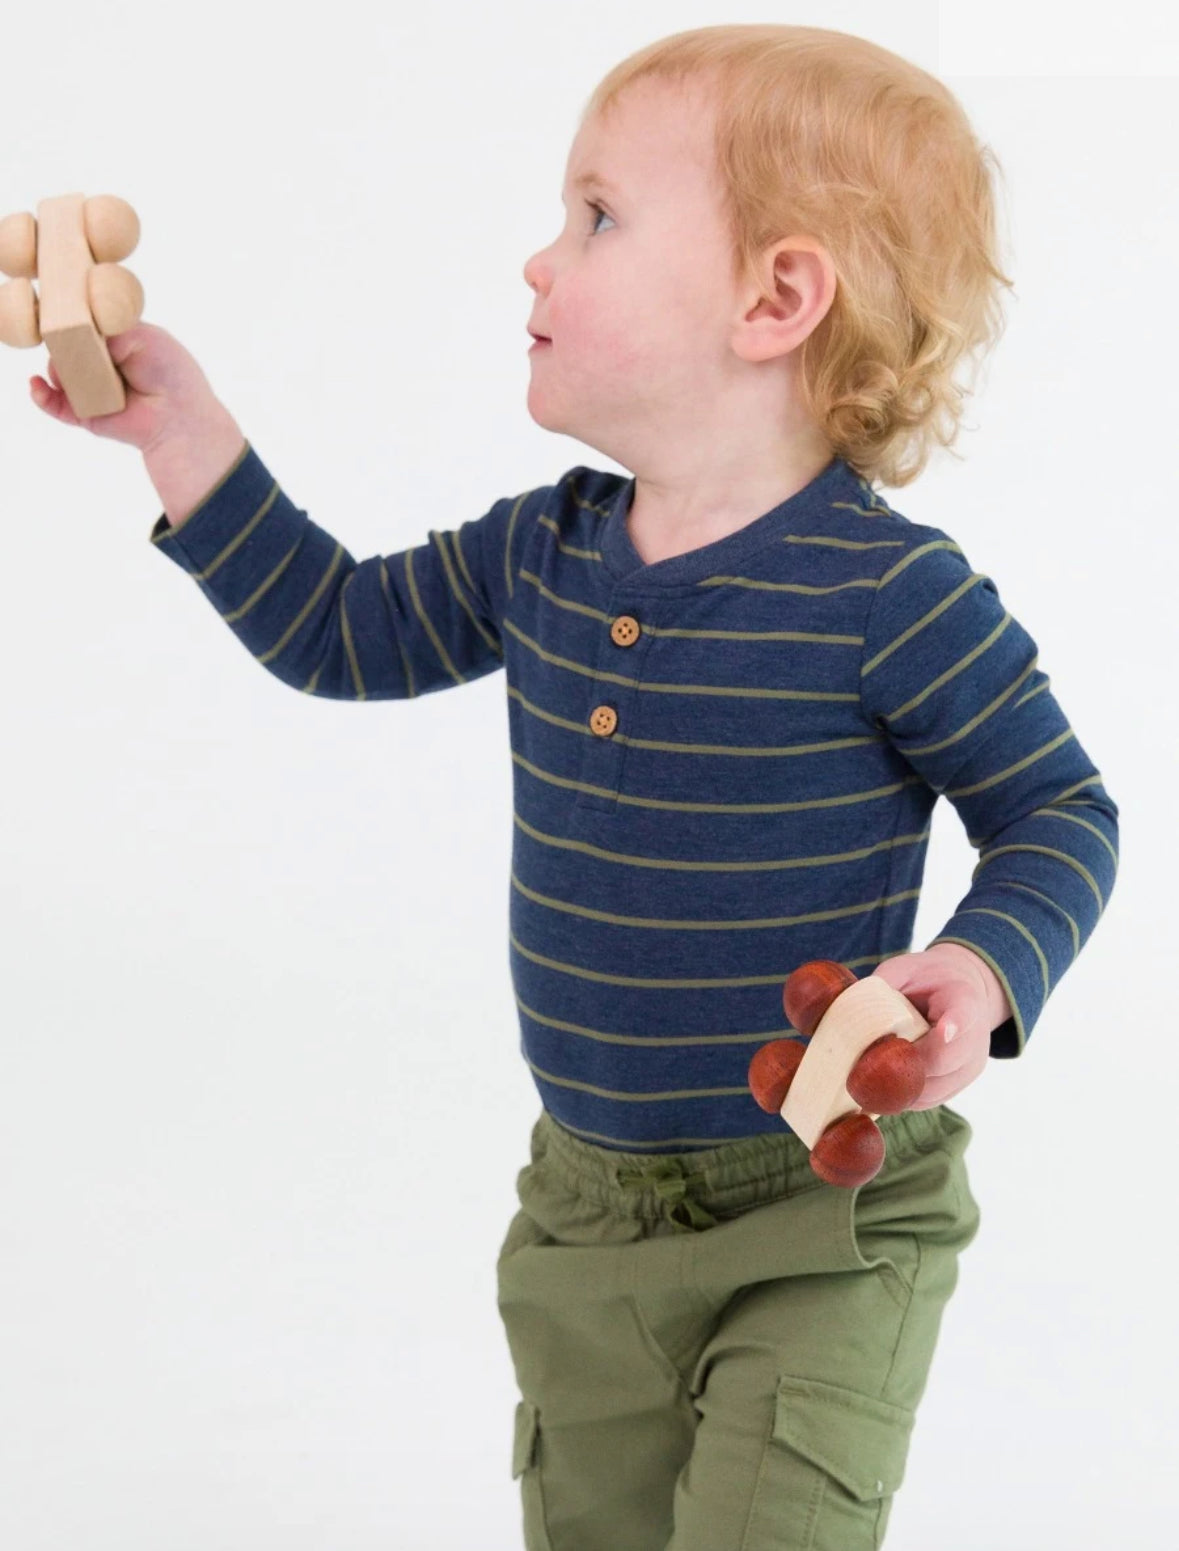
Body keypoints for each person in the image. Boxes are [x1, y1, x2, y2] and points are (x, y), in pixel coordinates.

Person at [28, 23, 1119, 1550]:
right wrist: (184, 438)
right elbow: (340, 631)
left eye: (596, 218)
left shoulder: (891, 597)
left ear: (774, 299)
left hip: (822, 1218)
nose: (539, 263)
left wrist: (985, 966)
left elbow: (1063, 811)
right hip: (585, 1219)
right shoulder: (543, 549)